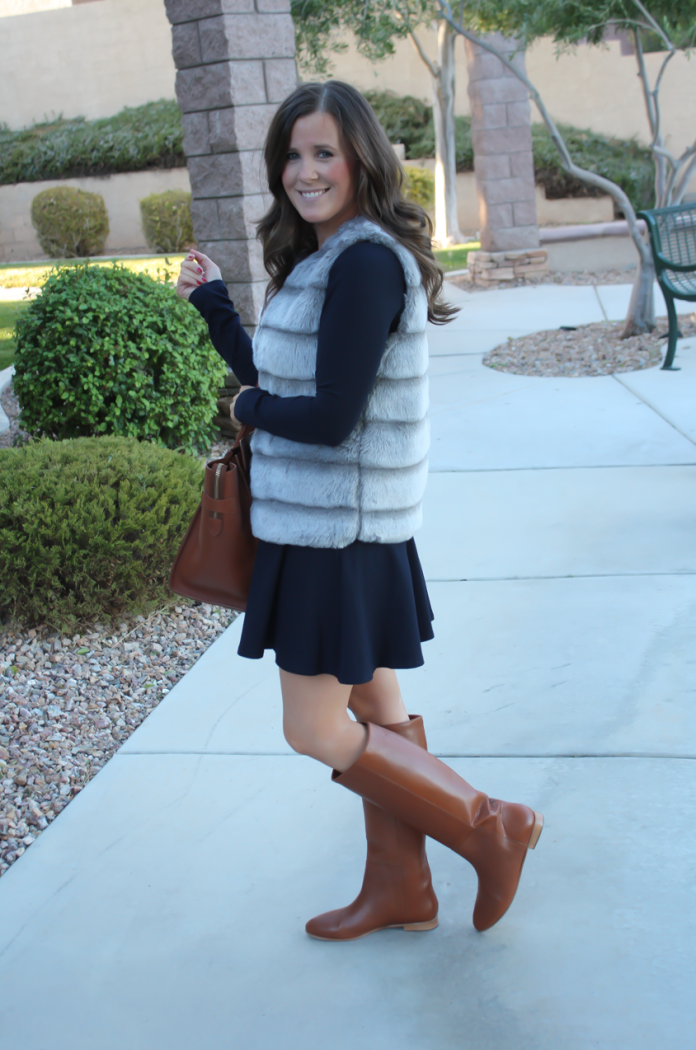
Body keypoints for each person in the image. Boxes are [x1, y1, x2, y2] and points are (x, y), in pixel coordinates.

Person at [176, 81, 543, 941]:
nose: (303, 172)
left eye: (322, 154)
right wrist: (216, 307)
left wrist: (242, 413)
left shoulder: (366, 261)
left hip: (335, 536)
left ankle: (488, 826)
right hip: (337, 531)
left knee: (313, 729)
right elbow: (287, 378)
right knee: (379, 716)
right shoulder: (330, 256)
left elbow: (330, 417)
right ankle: (402, 891)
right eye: (292, 156)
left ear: (360, 160)